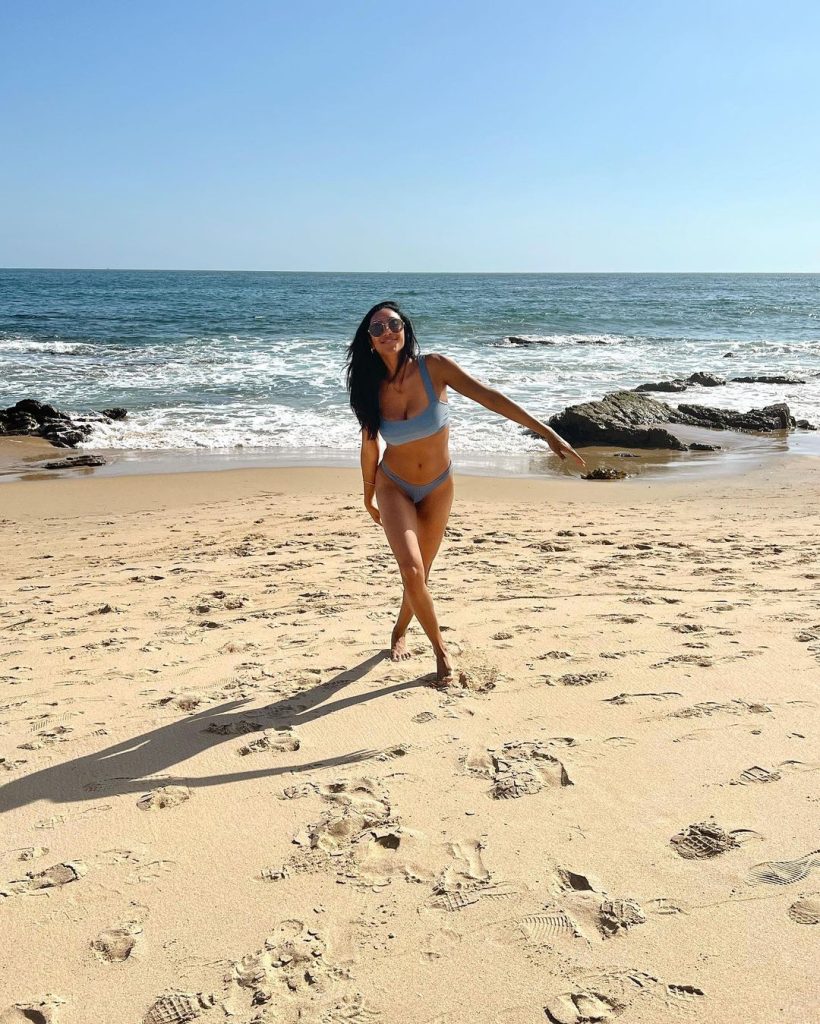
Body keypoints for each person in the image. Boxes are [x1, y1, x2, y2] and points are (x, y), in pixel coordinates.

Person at [345, 301, 586, 686]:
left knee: (421, 574)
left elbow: (489, 397)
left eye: (393, 323)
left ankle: (399, 629)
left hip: (439, 486)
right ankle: (441, 652)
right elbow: (370, 446)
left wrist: (546, 432)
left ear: (405, 328)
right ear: (370, 341)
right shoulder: (371, 389)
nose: (387, 331)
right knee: (411, 570)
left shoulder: (434, 368)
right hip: (394, 485)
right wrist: (367, 493)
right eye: (377, 329)